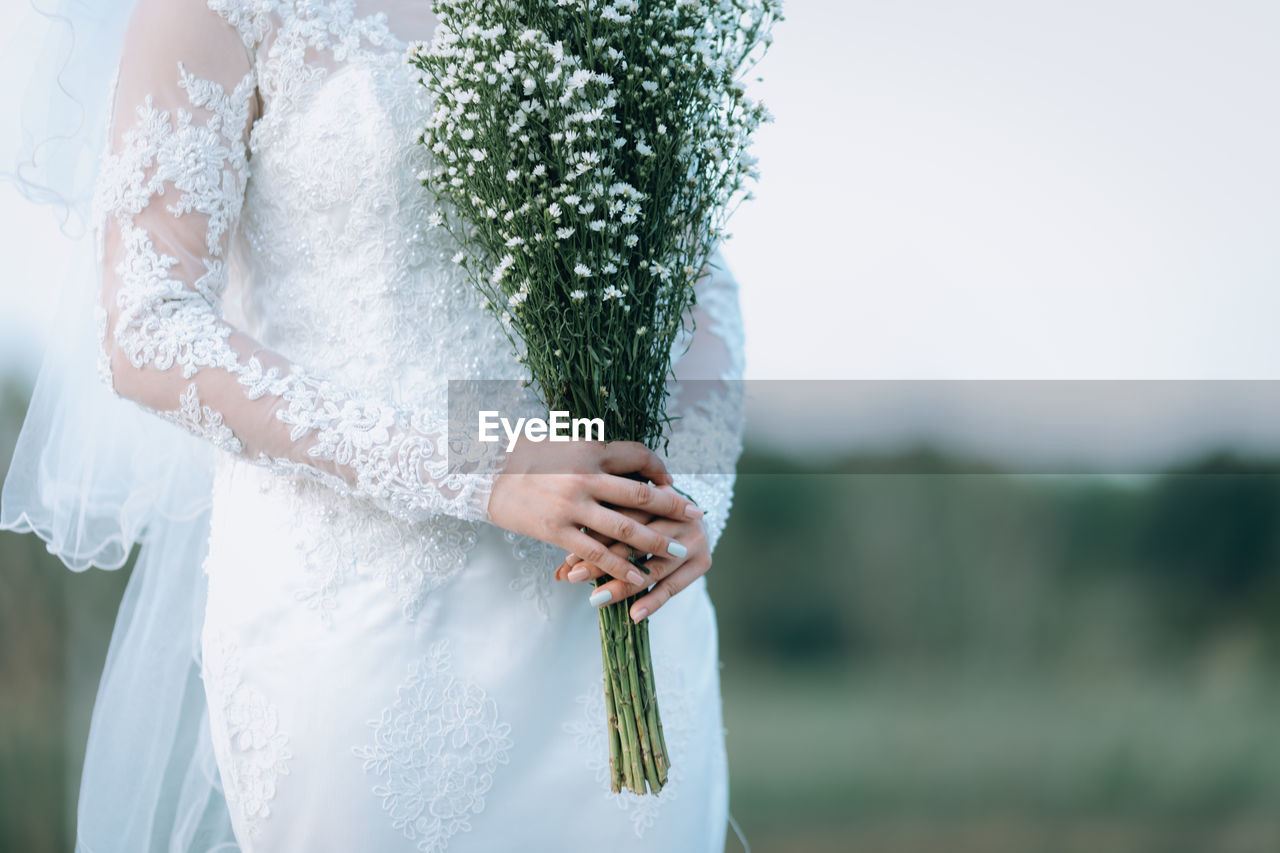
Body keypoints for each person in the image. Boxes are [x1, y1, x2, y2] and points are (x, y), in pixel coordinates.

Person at [1, 1, 746, 850]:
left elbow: (697, 287)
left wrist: (683, 501)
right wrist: (485, 468)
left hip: (617, 611)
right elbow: (148, 325)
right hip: (366, 620)